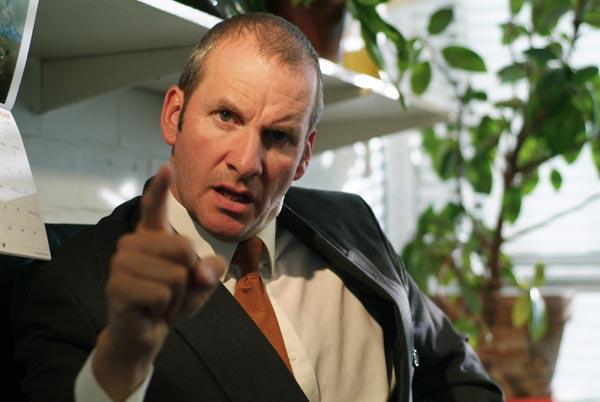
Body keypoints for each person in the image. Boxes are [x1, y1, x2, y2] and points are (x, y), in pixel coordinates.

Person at [13, 13, 504, 402]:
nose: (247, 162)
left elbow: (456, 374)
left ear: (305, 155)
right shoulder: (80, 285)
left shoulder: (353, 224)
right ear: (174, 115)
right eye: (226, 116)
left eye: (278, 137)